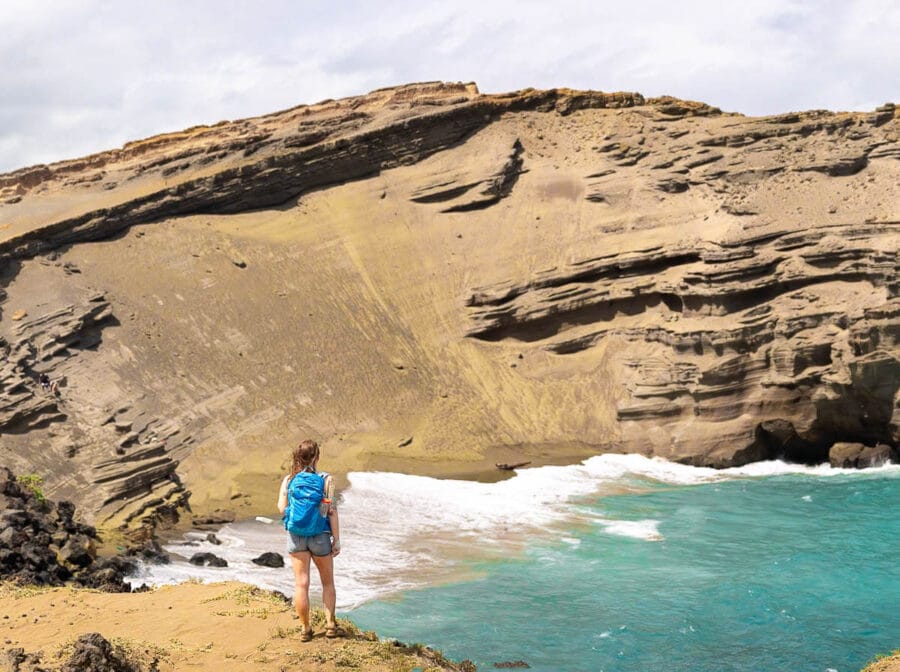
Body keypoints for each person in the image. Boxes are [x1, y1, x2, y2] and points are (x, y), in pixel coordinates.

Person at [277, 439, 343, 642]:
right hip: (320, 536)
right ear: (316, 457)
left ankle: (306, 629)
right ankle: (330, 625)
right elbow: (330, 512)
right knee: (327, 583)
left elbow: (281, 508)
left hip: (296, 537)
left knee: (301, 585)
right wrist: (336, 540)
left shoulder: (289, 479)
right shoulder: (325, 479)